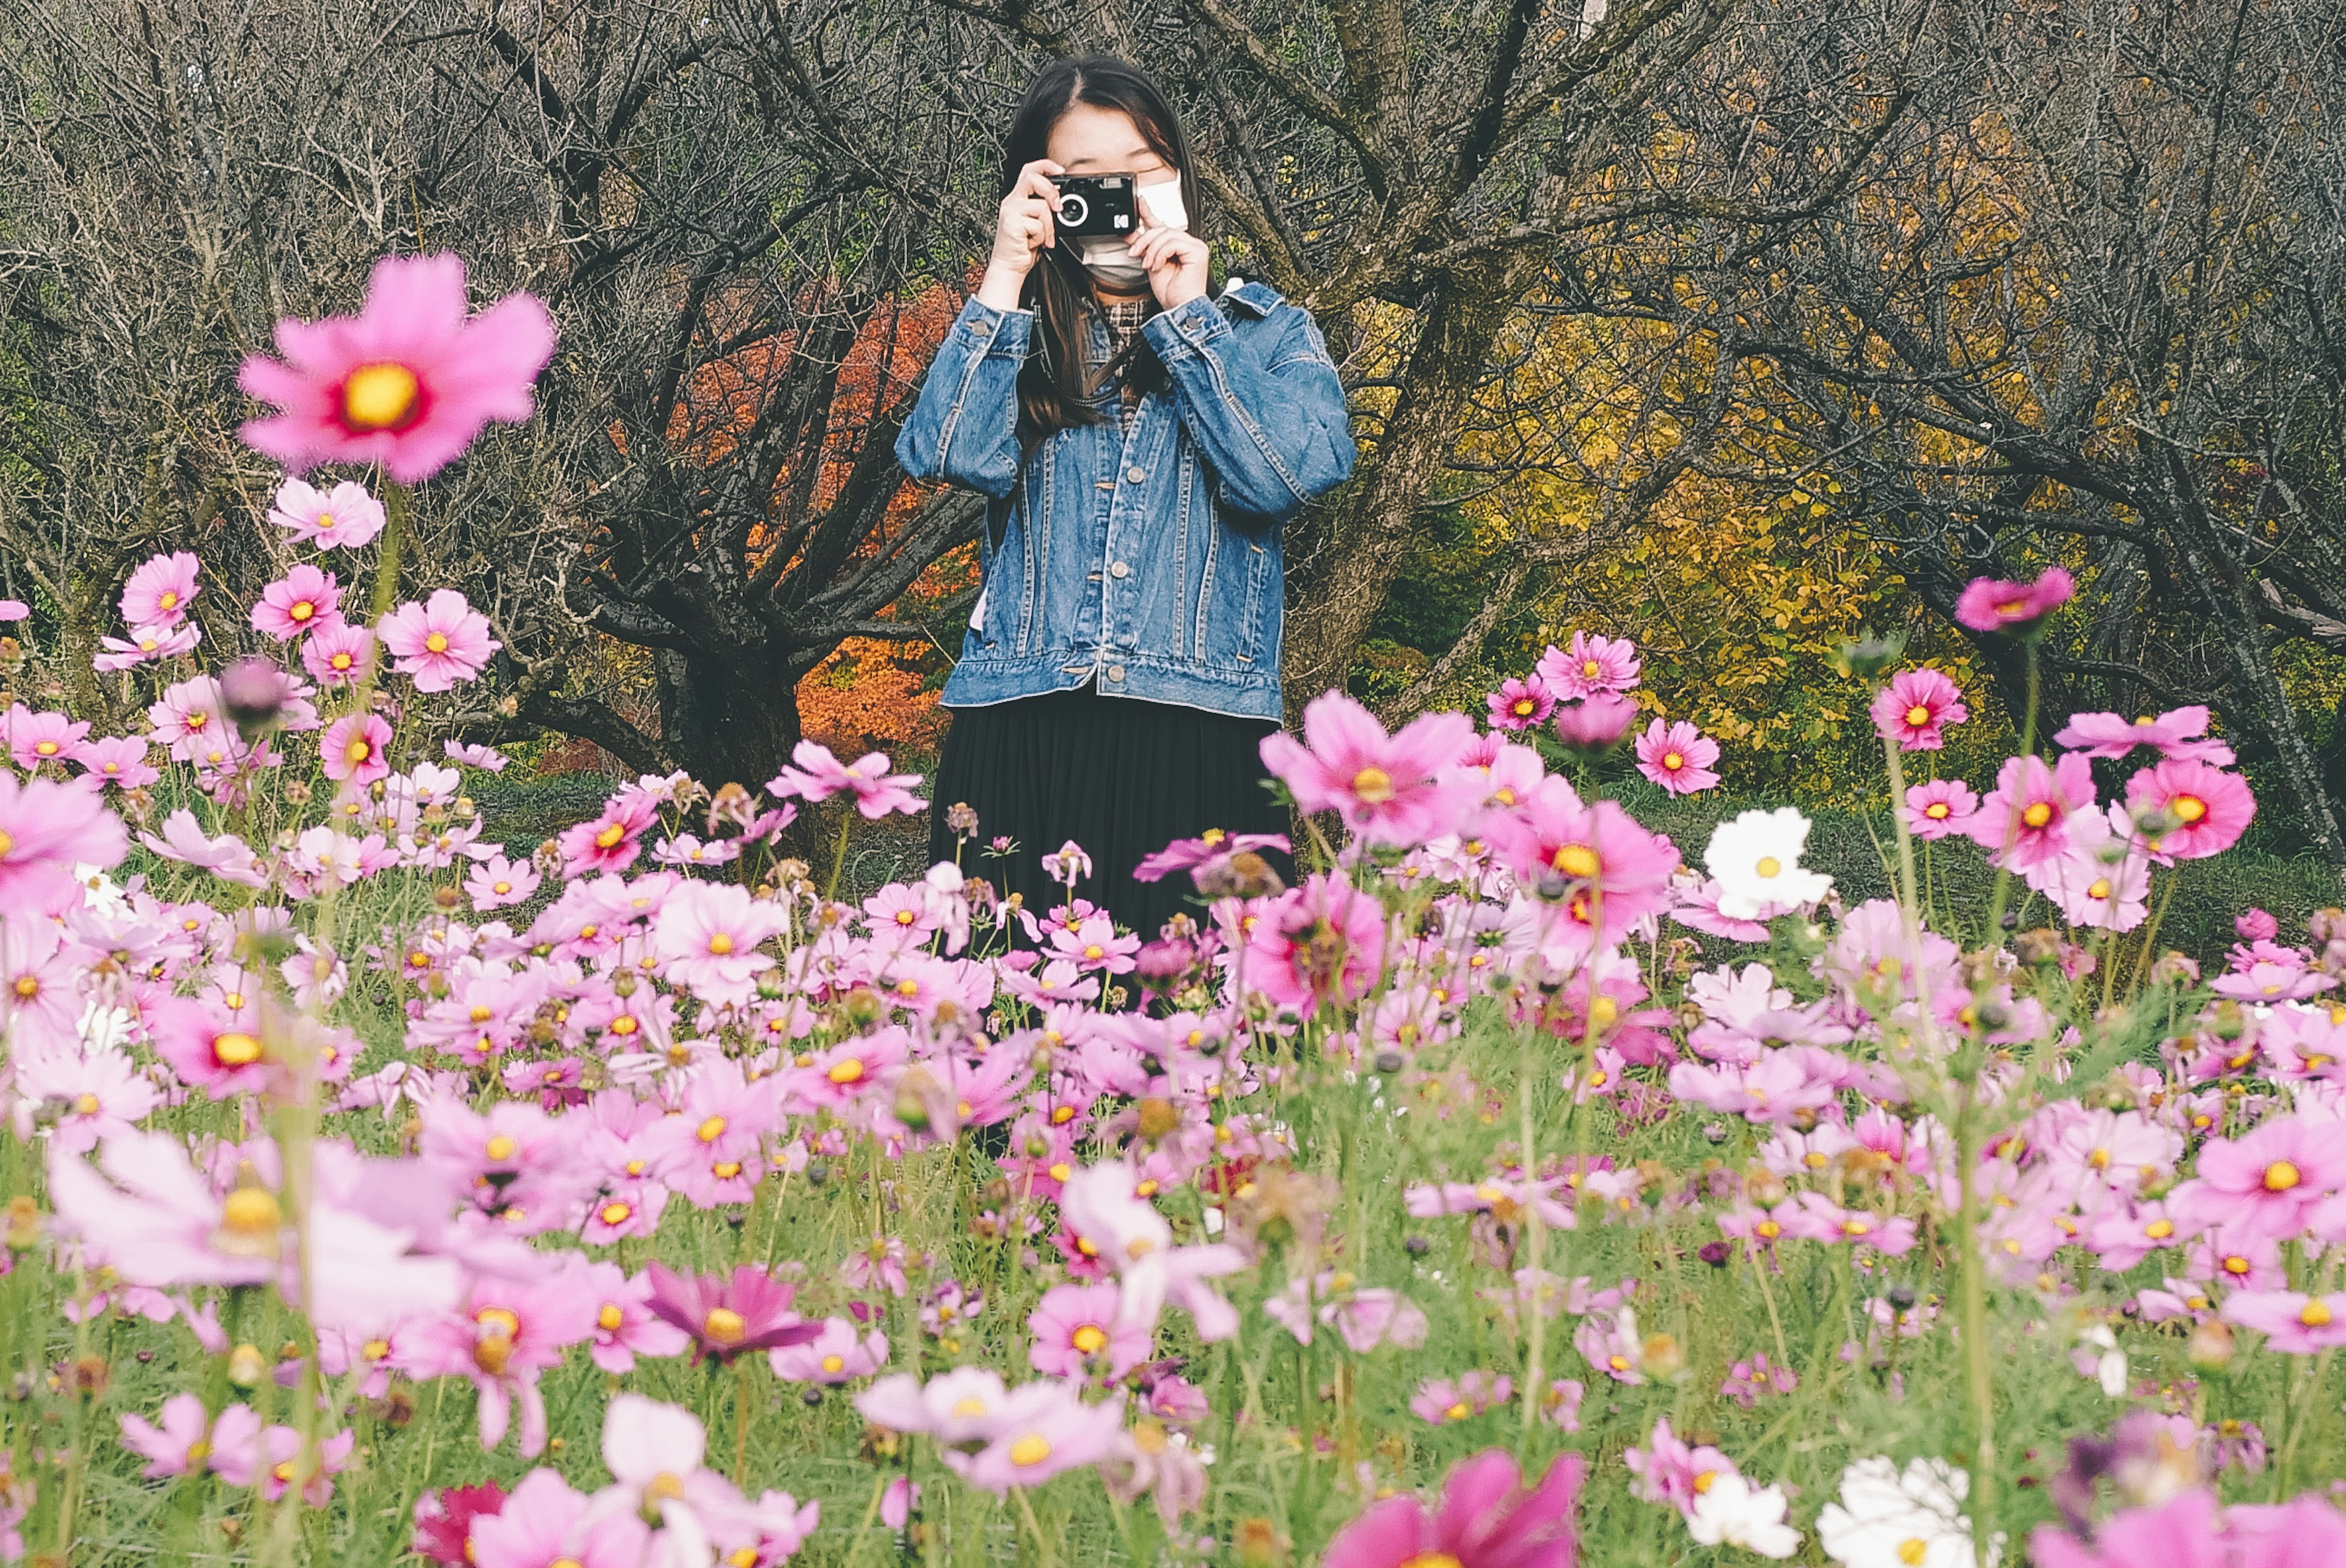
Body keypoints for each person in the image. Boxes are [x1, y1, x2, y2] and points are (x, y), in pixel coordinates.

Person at [895, 56, 1356, 942]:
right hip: (1021, 729)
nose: (1118, 205)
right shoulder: (1018, 336)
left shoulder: (1267, 334)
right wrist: (1004, 274)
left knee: (1200, 1045)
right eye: (1083, 184)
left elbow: (1288, 477)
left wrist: (1186, 312)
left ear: (1180, 178)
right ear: (1039, 194)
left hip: (1200, 732)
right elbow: (948, 454)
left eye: (1140, 177)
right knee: (1012, 1043)